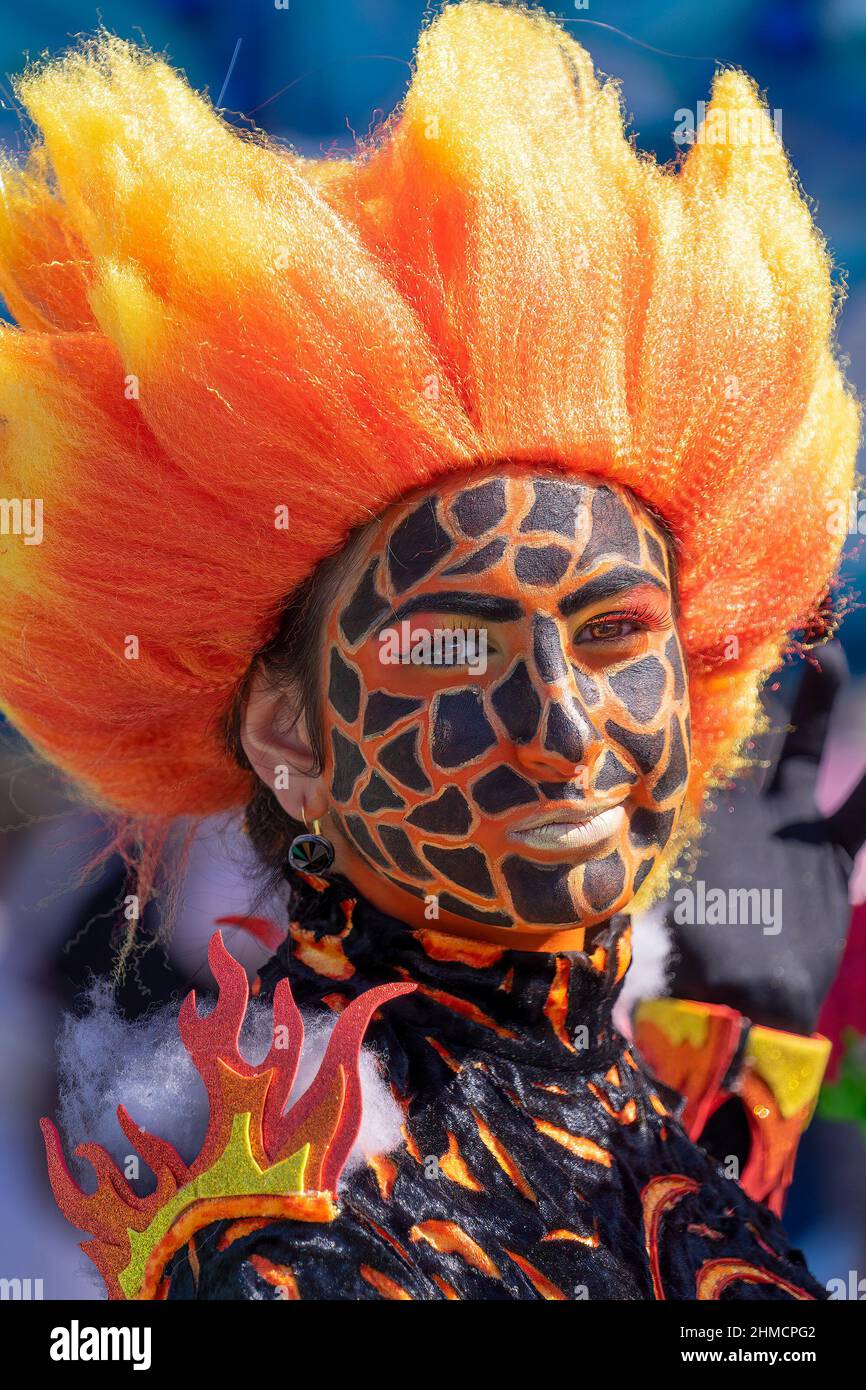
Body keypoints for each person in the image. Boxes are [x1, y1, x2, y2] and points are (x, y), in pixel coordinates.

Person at [0, 1, 859, 1300]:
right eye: (454, 642)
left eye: (621, 632)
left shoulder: (691, 1099)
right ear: (287, 730)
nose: (567, 723)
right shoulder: (290, 1231)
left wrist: (760, 1060)